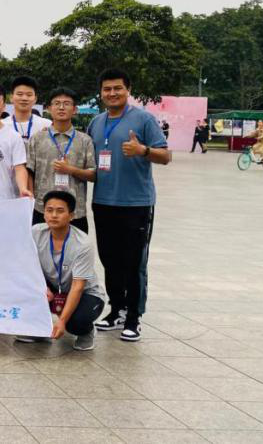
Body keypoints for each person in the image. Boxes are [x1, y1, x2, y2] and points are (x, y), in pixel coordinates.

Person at [87, 69, 170, 343]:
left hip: (136, 203)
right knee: (109, 260)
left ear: (128, 90)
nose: (112, 93)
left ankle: (134, 317)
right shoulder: (96, 123)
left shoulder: (144, 119)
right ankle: (116, 310)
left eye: (117, 88)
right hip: (103, 201)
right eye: (107, 89)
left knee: (133, 262)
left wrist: (143, 150)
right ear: (101, 92)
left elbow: (165, 155)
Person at [17, 190, 106, 351]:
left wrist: (62, 321)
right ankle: (41, 330)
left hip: (86, 293)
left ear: (71, 216)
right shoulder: (36, 232)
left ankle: (87, 331)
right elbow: (26, 266)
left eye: (60, 211)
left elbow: (78, 286)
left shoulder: (83, 244)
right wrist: (42, 288)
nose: (54, 215)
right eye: (49, 210)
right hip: (54, 288)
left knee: (75, 322)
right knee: (20, 291)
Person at [26, 88, 96, 233]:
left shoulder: (85, 140)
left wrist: (71, 170)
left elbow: (93, 175)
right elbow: (29, 172)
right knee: (40, 247)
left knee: (75, 247)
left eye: (67, 103)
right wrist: (31, 201)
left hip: (75, 211)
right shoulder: (37, 139)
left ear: (75, 109)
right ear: (48, 108)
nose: (61, 107)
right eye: (57, 103)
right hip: (43, 210)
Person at [3, 76, 51, 143]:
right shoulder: (1, 126)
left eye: (29, 95)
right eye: (20, 94)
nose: (24, 98)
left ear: (35, 99)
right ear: (11, 97)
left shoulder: (47, 125)